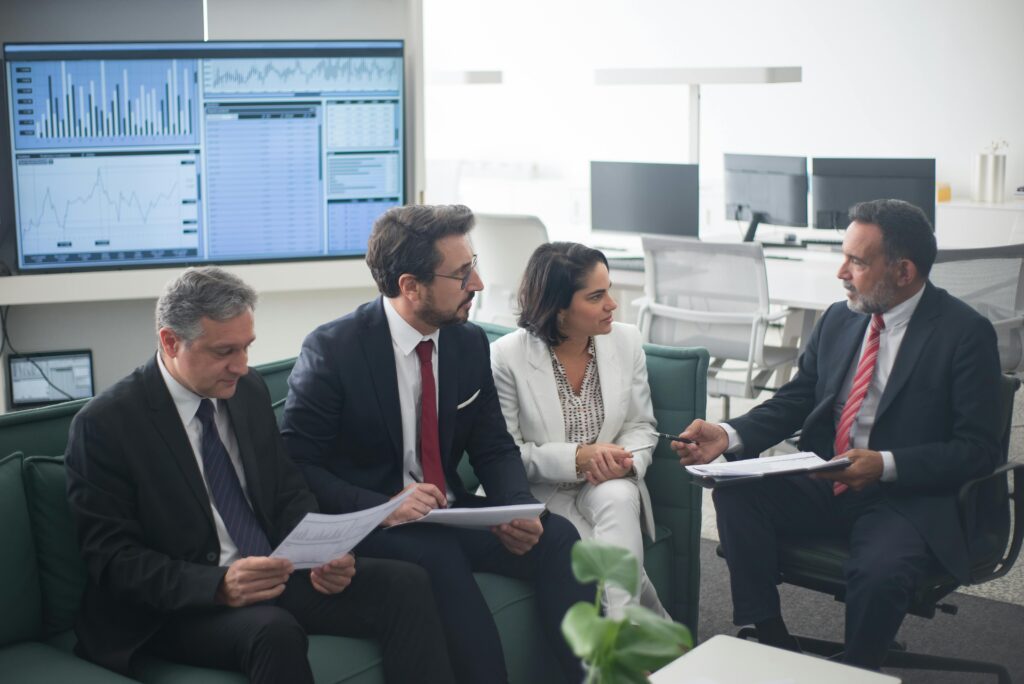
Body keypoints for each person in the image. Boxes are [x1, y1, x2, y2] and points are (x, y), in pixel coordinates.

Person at [65, 267, 455, 684]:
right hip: (178, 605)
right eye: (224, 351)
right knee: (273, 631)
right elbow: (112, 559)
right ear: (170, 341)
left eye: (247, 348)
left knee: (406, 584)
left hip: (270, 574)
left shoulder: (247, 390)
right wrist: (217, 585)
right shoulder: (106, 424)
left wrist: (324, 553)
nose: (242, 366)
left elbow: (287, 491)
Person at [672, 199, 1003, 670]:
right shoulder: (840, 318)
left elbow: (979, 450)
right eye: (843, 255)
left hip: (905, 496)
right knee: (736, 491)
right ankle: (769, 636)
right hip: (827, 477)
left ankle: (857, 671)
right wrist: (728, 434)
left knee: (879, 570)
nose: (841, 272)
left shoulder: (965, 333)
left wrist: (886, 464)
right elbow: (799, 398)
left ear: (903, 271)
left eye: (857, 261)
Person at [281, 204, 593, 684]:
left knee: (560, 541)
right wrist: (384, 506)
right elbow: (298, 464)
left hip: (448, 512)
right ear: (410, 286)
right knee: (437, 557)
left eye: (475, 266)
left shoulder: (467, 344)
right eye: (462, 274)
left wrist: (515, 508)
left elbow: (492, 445)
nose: (479, 285)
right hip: (374, 521)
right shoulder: (333, 350)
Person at [490, 242, 669, 618]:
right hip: (543, 489)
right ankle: (648, 640)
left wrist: (625, 462)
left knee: (620, 496)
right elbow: (505, 454)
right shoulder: (507, 357)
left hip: (606, 482)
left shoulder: (626, 340)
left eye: (609, 290)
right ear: (558, 309)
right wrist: (576, 458)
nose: (613, 304)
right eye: (597, 296)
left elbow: (640, 425)